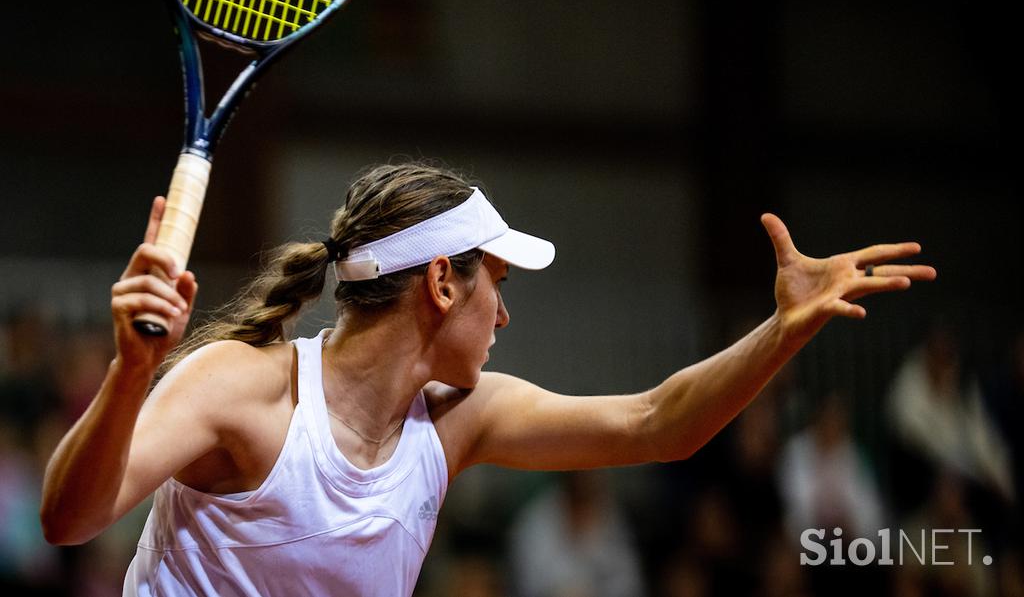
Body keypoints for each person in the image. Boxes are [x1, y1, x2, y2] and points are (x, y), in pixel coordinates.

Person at [38, 163, 936, 596]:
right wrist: (131, 376)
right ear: (440, 283)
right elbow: (70, 519)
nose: (503, 315)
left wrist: (783, 332)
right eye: (495, 284)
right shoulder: (242, 387)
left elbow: (658, 421)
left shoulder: (459, 420)